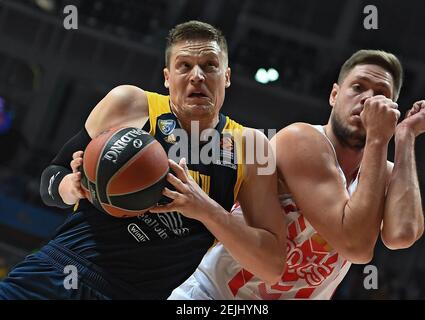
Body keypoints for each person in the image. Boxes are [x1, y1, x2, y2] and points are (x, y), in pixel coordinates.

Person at [0, 21, 286, 299]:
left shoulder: (251, 145)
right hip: (58, 271)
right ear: (166, 76)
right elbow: (50, 180)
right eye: (184, 66)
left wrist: (206, 210)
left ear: (226, 76)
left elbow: (272, 266)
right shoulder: (129, 103)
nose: (197, 75)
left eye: (210, 65)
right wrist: (71, 186)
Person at [169, 49, 425, 300]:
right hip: (214, 294)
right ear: (334, 95)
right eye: (358, 87)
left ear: (391, 111)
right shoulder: (302, 140)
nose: (367, 99)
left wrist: (406, 136)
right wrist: (378, 138)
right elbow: (356, 246)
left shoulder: (380, 172)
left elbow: (402, 235)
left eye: (381, 94)